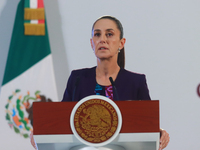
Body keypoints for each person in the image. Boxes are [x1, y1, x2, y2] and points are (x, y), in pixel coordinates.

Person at [31, 16, 170, 150]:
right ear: (92, 43)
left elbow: (147, 123)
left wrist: (160, 131)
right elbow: (61, 121)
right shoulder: (77, 79)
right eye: (97, 35)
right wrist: (40, 131)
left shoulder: (135, 82)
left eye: (109, 34)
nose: (102, 40)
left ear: (121, 43)